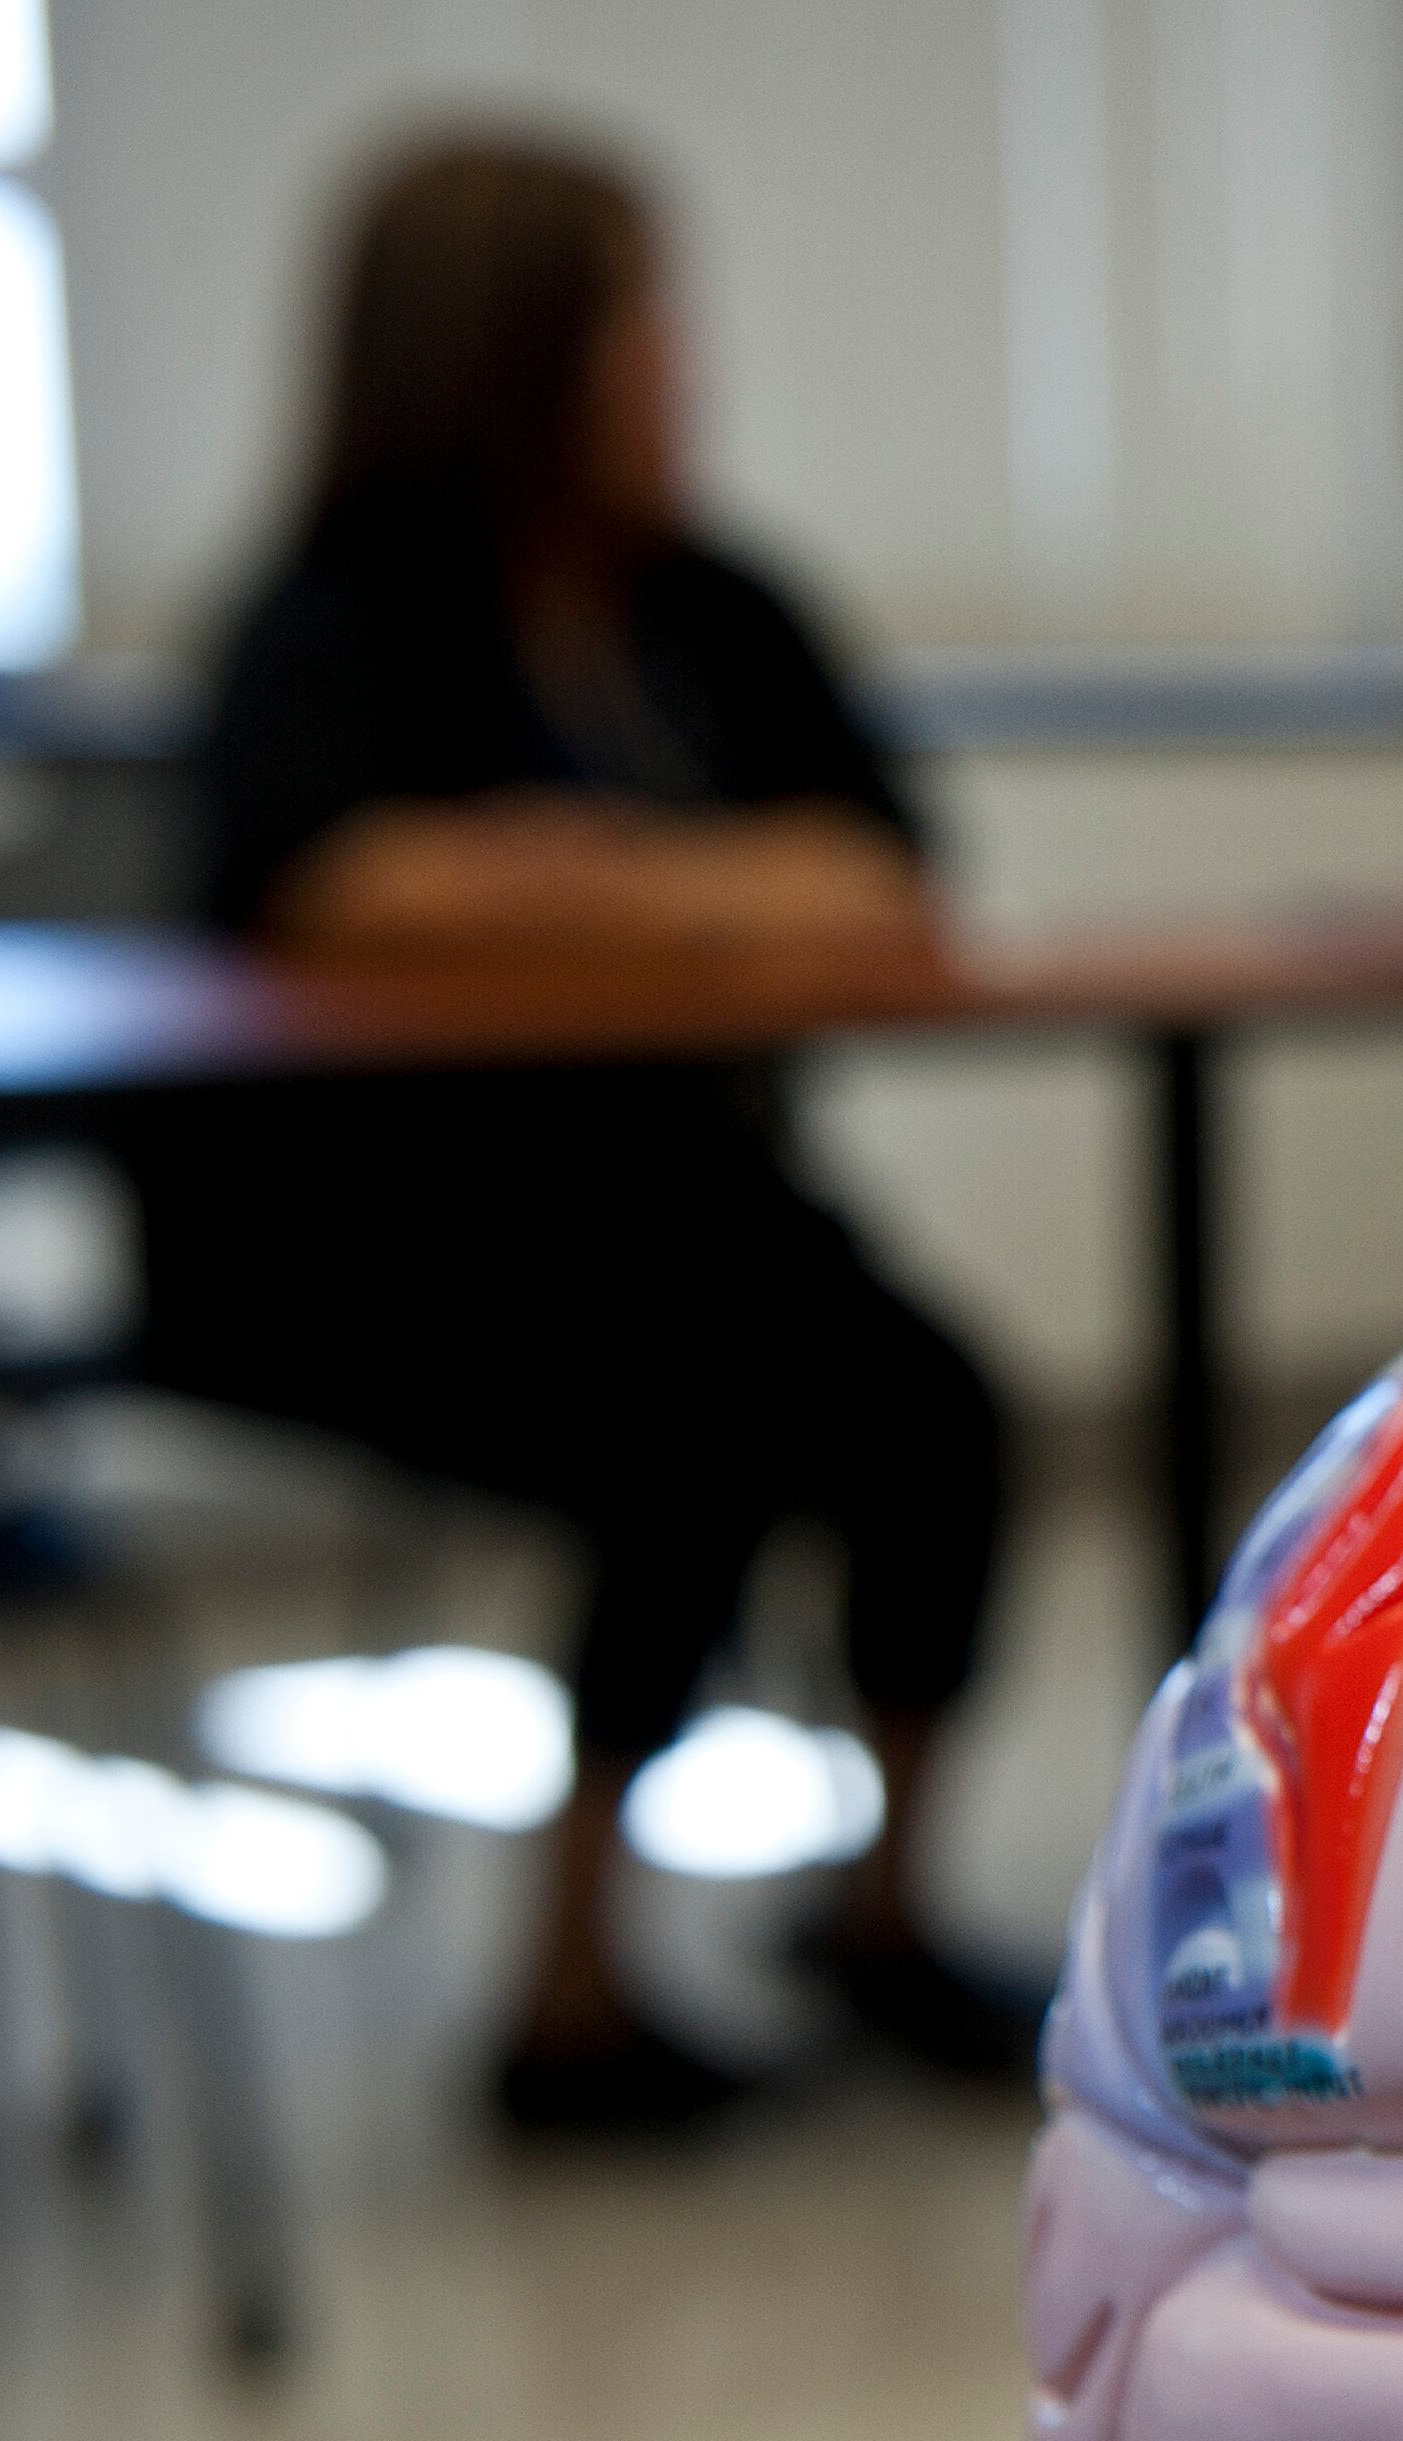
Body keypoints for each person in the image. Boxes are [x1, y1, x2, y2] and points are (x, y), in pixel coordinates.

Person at [148, 134, 1027, 2135]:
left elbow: (887, 880)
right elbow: (331, 882)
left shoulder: (717, 609)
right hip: (386, 1251)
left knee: (936, 1410)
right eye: (637, 314)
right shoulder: (342, 616)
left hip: (688, 1212)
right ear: (510, 354)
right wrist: (715, 883)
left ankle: (878, 1922)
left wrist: (567, 867)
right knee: (692, 1422)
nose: (679, 361)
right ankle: (567, 2002)